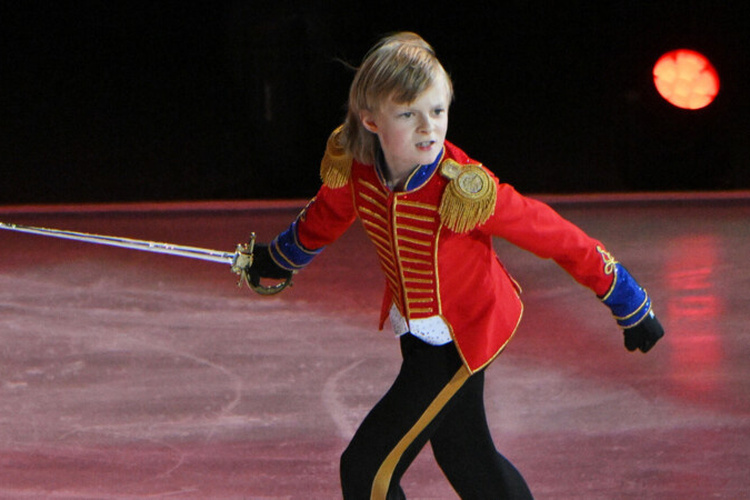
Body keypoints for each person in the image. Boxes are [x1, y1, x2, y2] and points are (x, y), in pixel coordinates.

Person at [246, 32, 664, 500]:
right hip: (417, 330)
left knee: (366, 469)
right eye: (408, 115)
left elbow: (554, 235)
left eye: (438, 111)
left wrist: (628, 300)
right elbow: (327, 215)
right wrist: (278, 258)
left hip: (461, 336)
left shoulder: (462, 189)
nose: (429, 128)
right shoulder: (358, 167)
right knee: (466, 456)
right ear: (371, 119)